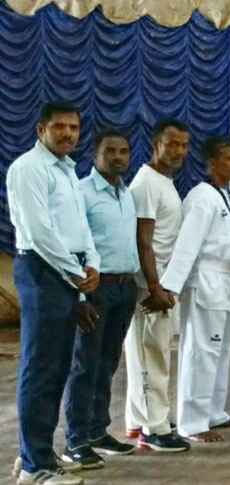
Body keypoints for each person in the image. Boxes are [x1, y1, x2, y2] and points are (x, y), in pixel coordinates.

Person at [8, 102, 99, 485]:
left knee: (58, 367)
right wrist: (76, 273)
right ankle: (35, 467)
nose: (68, 134)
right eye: (59, 127)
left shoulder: (67, 170)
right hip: (43, 270)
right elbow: (39, 231)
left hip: (68, 271)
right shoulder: (29, 168)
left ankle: (37, 453)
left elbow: (81, 226)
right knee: (41, 368)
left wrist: (91, 263)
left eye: (73, 128)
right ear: (40, 130)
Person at [61, 130, 139, 469]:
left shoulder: (126, 193)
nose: (118, 157)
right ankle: (76, 440)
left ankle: (97, 431)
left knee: (107, 362)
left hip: (124, 287)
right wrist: (81, 295)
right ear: (95, 154)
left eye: (123, 151)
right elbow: (72, 247)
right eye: (111, 151)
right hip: (95, 288)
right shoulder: (81, 193)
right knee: (84, 364)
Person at [159, 137, 230, 443]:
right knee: (201, 352)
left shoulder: (225, 196)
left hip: (225, 279)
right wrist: (170, 287)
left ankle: (213, 412)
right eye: (229, 159)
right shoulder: (201, 197)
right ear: (211, 163)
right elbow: (187, 245)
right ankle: (192, 423)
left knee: (220, 352)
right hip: (206, 279)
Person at [125, 119, 190, 452]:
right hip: (150, 286)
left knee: (148, 355)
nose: (178, 151)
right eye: (172, 144)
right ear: (155, 145)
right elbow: (143, 240)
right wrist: (154, 287)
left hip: (160, 282)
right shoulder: (147, 182)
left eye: (183, 145)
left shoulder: (164, 181)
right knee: (151, 357)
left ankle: (139, 420)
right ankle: (155, 429)